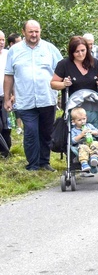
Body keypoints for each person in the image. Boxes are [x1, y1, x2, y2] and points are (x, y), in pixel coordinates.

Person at [4, 20, 63, 171]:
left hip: (47, 99)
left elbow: (62, 70)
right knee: (30, 132)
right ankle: (33, 164)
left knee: (45, 132)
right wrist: (7, 98)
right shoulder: (14, 51)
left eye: (37, 31)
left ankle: (44, 162)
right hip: (25, 99)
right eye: (31, 31)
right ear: (23, 32)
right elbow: (9, 76)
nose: (34, 35)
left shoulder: (50, 49)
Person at [51, 36, 98, 104]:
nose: (80, 54)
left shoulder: (95, 63)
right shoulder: (64, 64)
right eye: (77, 51)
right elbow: (53, 84)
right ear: (71, 52)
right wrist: (64, 84)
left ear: (87, 49)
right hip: (73, 107)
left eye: (83, 50)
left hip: (93, 106)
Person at [69, 107, 98, 175]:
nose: (82, 121)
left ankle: (94, 158)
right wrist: (80, 135)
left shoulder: (89, 126)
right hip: (82, 144)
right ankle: (84, 163)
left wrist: (92, 132)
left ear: (86, 118)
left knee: (96, 144)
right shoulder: (74, 130)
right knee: (83, 148)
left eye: (84, 119)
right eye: (79, 120)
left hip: (92, 142)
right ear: (73, 121)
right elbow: (72, 140)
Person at [0, 31, 11, 156]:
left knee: (6, 126)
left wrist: (13, 94)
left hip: (6, 96)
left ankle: (6, 151)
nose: (1, 43)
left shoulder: (9, 54)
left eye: (3, 40)